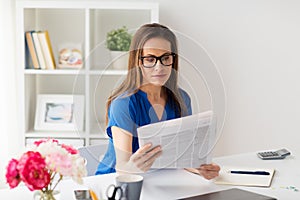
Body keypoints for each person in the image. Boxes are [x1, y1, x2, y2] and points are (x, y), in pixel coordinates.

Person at [96, 23, 220, 180]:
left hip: (158, 180)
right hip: (114, 183)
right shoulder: (123, 104)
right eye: (150, 59)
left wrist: (200, 168)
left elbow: (181, 156)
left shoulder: (182, 99)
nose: (159, 67)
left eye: (165, 58)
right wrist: (135, 165)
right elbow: (122, 167)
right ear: (138, 61)